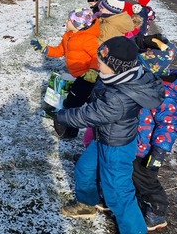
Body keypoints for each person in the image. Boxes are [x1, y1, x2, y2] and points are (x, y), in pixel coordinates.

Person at [55, 36, 165, 234]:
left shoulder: (119, 97)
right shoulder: (125, 71)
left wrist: (61, 116)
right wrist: (140, 43)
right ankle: (87, 204)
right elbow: (127, 49)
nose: (98, 62)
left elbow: (87, 115)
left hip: (117, 148)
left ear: (115, 68)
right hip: (103, 138)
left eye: (101, 61)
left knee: (118, 194)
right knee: (85, 169)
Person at [133, 42, 177, 231]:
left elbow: (169, 125)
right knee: (134, 175)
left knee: (147, 180)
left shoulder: (164, 94)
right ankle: (138, 199)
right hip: (137, 143)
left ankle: (157, 211)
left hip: (148, 150)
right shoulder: (149, 84)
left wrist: (159, 151)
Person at [30, 8, 100, 139]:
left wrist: (93, 71)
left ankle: (68, 133)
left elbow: (98, 56)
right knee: (91, 102)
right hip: (79, 76)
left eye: (69, 20)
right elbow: (60, 51)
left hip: (87, 78)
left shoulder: (88, 39)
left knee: (72, 104)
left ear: (78, 24)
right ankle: (97, 124)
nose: (66, 21)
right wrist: (45, 49)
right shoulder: (68, 36)